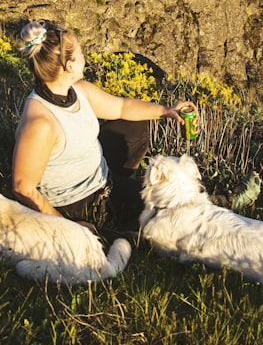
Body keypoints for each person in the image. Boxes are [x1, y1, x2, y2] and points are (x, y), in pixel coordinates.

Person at [12, 20, 195, 232]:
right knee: (159, 224)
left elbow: (122, 107)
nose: (84, 58)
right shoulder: (41, 122)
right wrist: (68, 227)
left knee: (135, 127)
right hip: (76, 205)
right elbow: (22, 187)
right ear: (69, 66)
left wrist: (166, 111)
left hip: (102, 179)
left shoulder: (79, 90)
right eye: (80, 53)